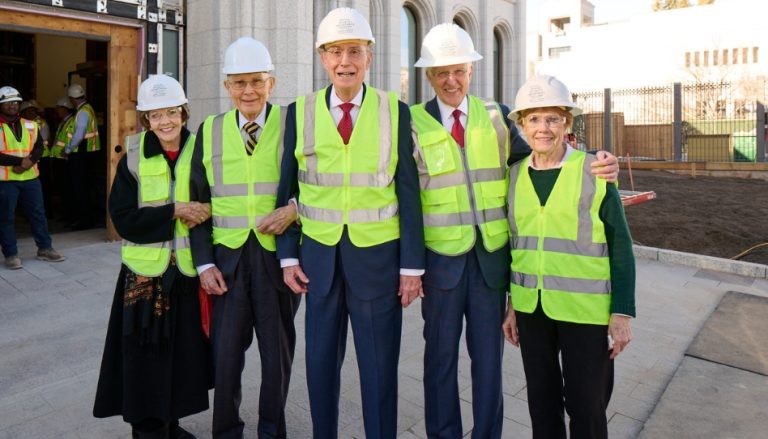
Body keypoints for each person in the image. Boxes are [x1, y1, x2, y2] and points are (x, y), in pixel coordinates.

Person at [409, 24, 619, 439]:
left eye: (459, 70)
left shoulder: (498, 118)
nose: (451, 80)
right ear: (428, 76)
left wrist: (595, 158)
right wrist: (411, 267)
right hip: (440, 265)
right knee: (439, 362)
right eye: (440, 72)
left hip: (491, 265)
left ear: (471, 70)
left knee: (488, 365)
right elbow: (403, 195)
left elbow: (547, 152)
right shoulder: (412, 123)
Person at [277, 7, 425, 438]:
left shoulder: (395, 112)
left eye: (355, 51)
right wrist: (287, 256)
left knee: (379, 370)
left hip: (378, 263)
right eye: (336, 51)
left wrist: (412, 267)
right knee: (320, 366)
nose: (346, 61)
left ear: (370, 57)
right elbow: (286, 192)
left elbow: (409, 193)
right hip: (317, 262)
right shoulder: (298, 113)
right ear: (323, 58)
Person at [501, 75, 636, 439]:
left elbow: (620, 243)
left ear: (566, 124)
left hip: (585, 312)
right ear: (522, 125)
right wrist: (513, 306)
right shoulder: (513, 176)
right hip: (533, 311)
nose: (543, 128)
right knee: (541, 406)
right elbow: (517, 246)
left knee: (587, 408)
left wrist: (621, 313)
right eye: (534, 119)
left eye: (552, 118)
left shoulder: (594, 171)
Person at [188, 37, 300, 439]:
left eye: (256, 81)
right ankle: (226, 432)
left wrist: (296, 209)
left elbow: (313, 184)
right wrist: (203, 262)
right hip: (227, 262)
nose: (248, 90)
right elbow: (196, 202)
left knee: (277, 358)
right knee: (225, 358)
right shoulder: (210, 130)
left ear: (272, 83)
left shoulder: (293, 124)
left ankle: (272, 431)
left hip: (277, 262)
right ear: (226, 87)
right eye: (239, 83)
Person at [93, 74, 211, 439]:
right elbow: (123, 218)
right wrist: (175, 210)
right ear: (146, 120)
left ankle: (171, 422)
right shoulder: (132, 156)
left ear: (184, 112)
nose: (165, 122)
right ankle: (148, 430)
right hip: (144, 276)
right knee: (145, 357)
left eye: (172, 112)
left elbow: (212, 205)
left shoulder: (201, 149)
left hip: (187, 274)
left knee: (180, 354)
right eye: (155, 115)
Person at [0, 86, 65, 270]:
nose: (12, 106)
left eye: (15, 102)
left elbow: (39, 147)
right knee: (6, 218)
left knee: (38, 214)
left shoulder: (31, 125)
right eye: (7, 102)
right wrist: (20, 162)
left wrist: (28, 162)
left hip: (30, 179)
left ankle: (45, 248)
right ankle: (11, 255)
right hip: (5, 181)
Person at [63, 83, 101, 230]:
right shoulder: (88, 109)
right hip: (88, 154)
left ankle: (84, 220)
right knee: (85, 187)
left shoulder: (82, 112)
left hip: (81, 155)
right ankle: (87, 218)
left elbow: (78, 135)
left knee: (80, 188)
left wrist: (68, 149)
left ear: (72, 98)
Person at [20, 99, 54, 217]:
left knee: (43, 186)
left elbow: (42, 141)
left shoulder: (41, 123)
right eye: (27, 111)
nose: (29, 113)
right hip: (29, 160)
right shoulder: (23, 123)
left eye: (31, 110)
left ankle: (46, 212)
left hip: (41, 159)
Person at [50, 97, 76, 221]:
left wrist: (66, 152)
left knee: (67, 189)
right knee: (62, 188)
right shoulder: (63, 122)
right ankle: (66, 214)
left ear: (64, 109)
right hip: (58, 158)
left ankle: (70, 215)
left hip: (64, 159)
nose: (57, 111)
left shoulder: (70, 122)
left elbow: (70, 141)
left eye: (58, 108)